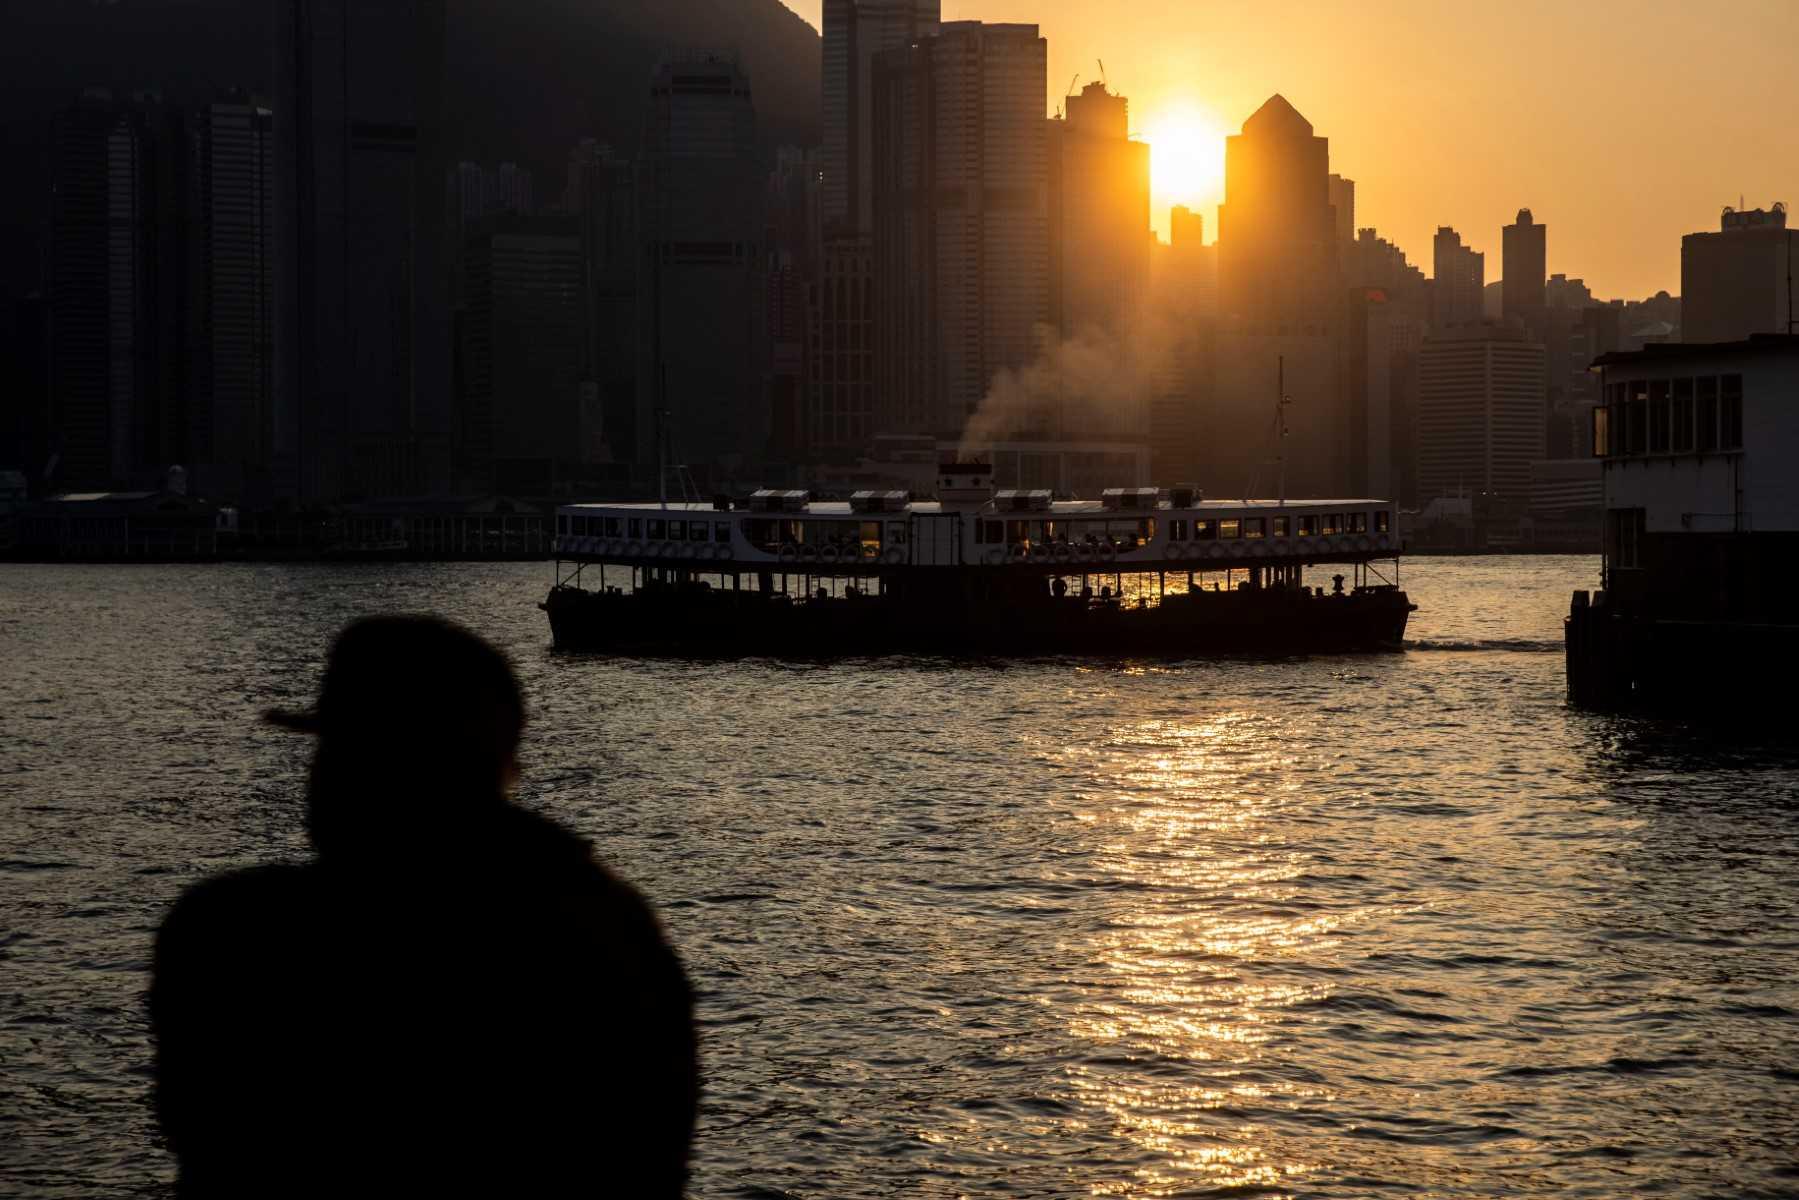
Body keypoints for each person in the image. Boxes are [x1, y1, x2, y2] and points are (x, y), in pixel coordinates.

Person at [150, 616, 697, 1197]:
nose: (318, 776)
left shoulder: (235, 934)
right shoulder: (614, 930)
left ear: (378, 770)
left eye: (341, 751)